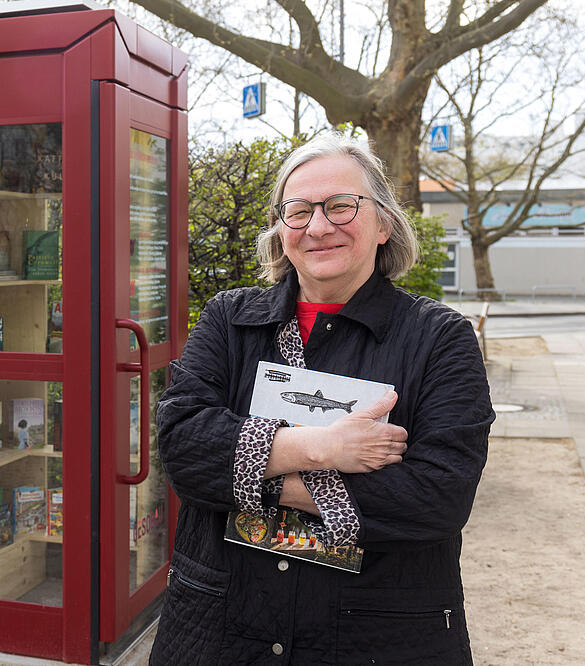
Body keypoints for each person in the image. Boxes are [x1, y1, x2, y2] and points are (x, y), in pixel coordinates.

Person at [150, 133, 493, 664]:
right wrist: (322, 449)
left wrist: (252, 477)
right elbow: (183, 449)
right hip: (221, 630)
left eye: (340, 206)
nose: (317, 226)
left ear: (383, 223)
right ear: (281, 229)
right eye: (299, 210)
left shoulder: (438, 339)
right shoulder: (229, 320)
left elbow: (437, 497)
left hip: (373, 634)